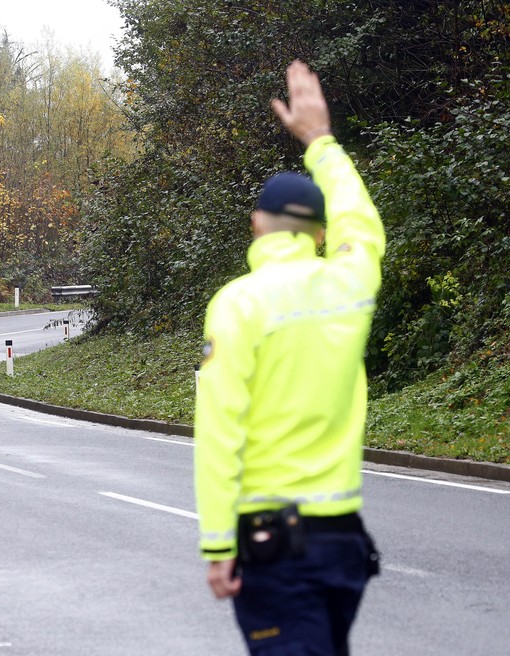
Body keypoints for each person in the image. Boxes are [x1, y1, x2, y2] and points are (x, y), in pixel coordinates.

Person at [193, 60, 385, 655]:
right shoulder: (350, 283)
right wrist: (320, 141)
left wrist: (219, 545)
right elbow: (363, 221)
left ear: (256, 225)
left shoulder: (236, 306)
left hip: (273, 547)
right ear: (320, 234)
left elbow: (220, 431)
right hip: (343, 544)